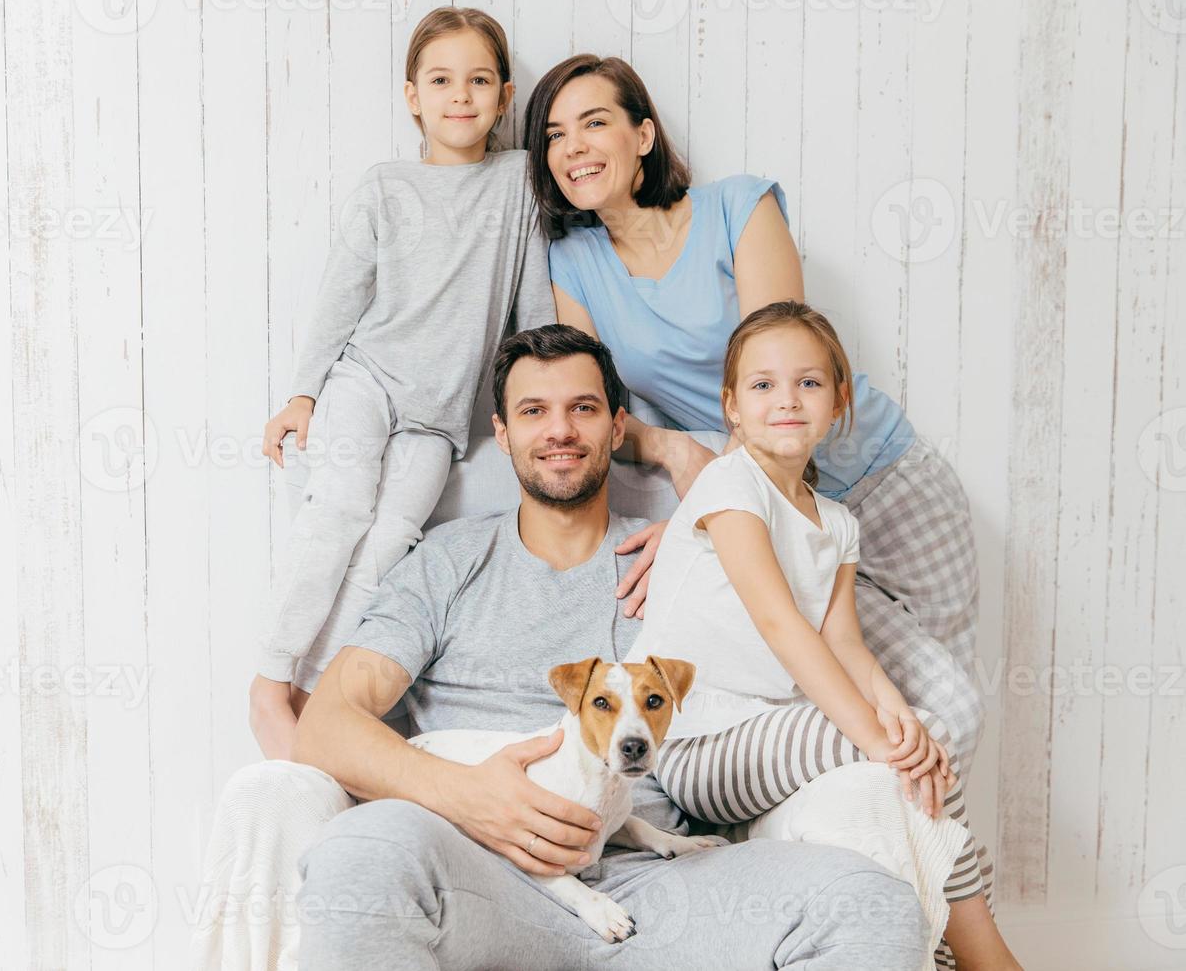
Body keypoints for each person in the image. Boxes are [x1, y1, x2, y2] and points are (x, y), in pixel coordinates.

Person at [280, 325, 930, 969]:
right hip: (480, 871)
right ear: (503, 434)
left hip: (659, 879)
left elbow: (795, 614)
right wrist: (467, 796)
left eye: (583, 408)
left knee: (869, 904)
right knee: (360, 850)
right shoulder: (446, 564)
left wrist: (684, 513)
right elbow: (325, 728)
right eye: (534, 411)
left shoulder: (688, 552)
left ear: (618, 429)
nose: (559, 430)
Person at [520, 53, 990, 911]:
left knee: (938, 714)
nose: (572, 147)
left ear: (644, 132)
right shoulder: (576, 262)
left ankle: (930, 921)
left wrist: (716, 501)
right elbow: (601, 410)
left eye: (593, 121)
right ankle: (880, 908)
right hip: (779, 511)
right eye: (553, 134)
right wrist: (681, 468)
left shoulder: (741, 206)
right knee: (918, 716)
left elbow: (778, 364)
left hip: (878, 481)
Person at [625, 301, 1021, 969]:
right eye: (763, 385)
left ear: (839, 402)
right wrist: (877, 738)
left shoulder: (836, 521)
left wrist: (897, 716)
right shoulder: (730, 487)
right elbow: (780, 625)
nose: (786, 400)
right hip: (697, 743)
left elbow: (845, 643)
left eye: (808, 383)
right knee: (907, 755)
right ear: (731, 407)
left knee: (923, 744)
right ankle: (990, 959)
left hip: (768, 729)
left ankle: (946, 958)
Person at [248, 7, 556, 760]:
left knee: (391, 543)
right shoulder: (386, 186)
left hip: (439, 415)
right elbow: (342, 294)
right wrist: (303, 394)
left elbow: (533, 302)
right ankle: (268, 679)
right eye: (441, 80)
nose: (461, 95)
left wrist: (536, 402)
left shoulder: (518, 185)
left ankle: (317, 694)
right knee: (340, 512)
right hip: (367, 380)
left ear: (505, 95)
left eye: (479, 80)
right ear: (413, 96)